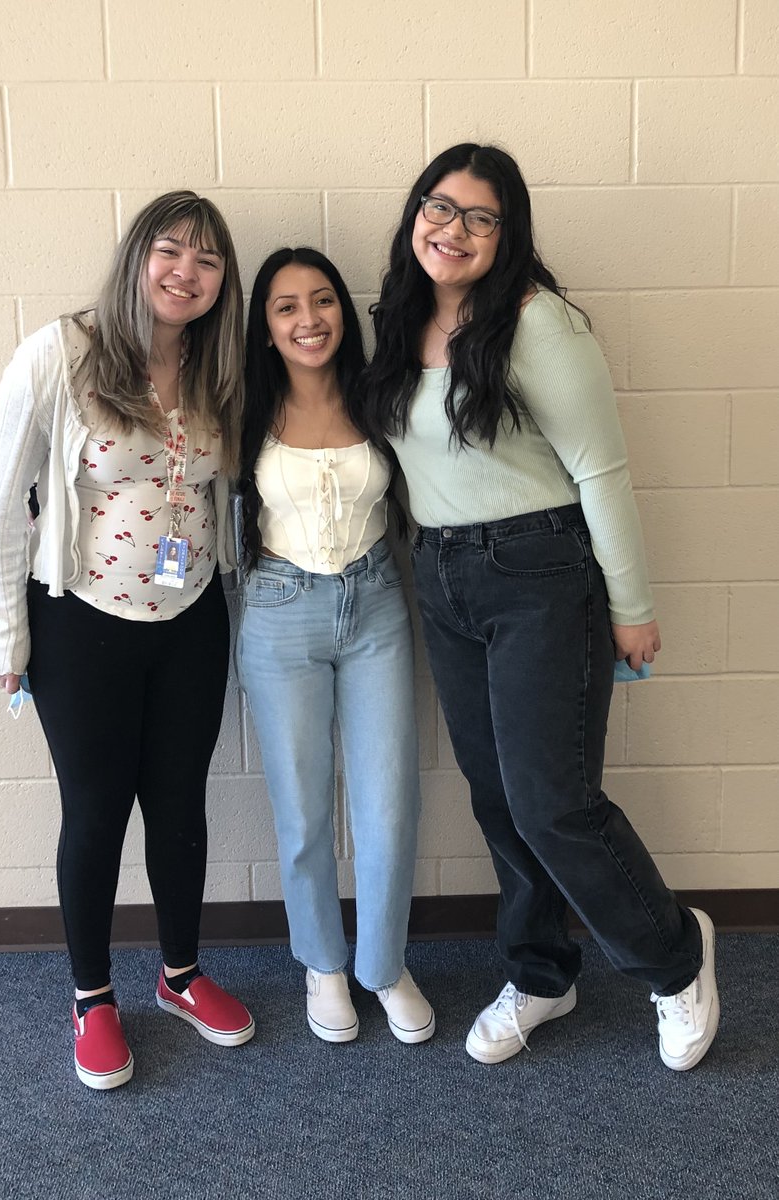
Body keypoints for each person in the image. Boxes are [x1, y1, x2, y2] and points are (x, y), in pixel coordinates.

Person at [362, 144, 719, 1071]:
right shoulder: (399, 321)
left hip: (539, 574)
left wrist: (631, 606)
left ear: (508, 233)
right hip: (441, 574)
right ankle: (541, 974)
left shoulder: (538, 324)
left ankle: (677, 959)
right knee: (497, 800)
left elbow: (602, 470)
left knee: (553, 803)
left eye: (481, 217)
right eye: (440, 207)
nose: (454, 229)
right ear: (416, 213)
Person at [0, 192, 254, 1091]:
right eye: (170, 251)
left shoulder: (218, 367)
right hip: (81, 621)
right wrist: (5, 634)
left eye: (207, 260)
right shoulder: (61, 355)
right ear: (137, 257)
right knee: (95, 809)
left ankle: (180, 975)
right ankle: (92, 997)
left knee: (178, 803)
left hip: (191, 619)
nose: (186, 272)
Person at [236, 248, 434, 1044]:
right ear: (265, 326)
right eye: (286, 306)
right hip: (279, 611)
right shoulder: (243, 407)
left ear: (342, 314)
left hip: (376, 605)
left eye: (321, 301)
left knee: (388, 803)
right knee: (303, 805)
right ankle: (322, 963)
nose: (308, 319)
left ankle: (384, 965)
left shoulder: (381, 396)